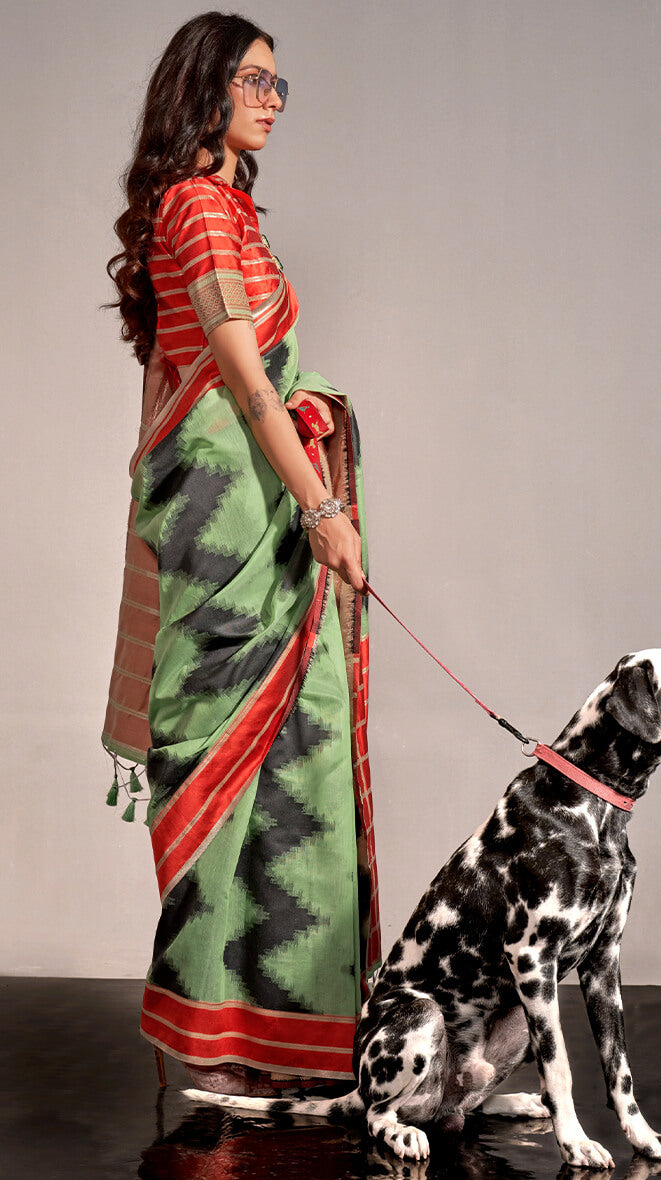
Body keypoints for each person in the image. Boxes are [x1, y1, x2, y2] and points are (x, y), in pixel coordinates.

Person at [103, 11, 380, 1097]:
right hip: (231, 523)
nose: (271, 98)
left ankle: (274, 1040)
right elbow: (242, 380)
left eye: (278, 84)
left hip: (252, 505)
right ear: (204, 88)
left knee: (286, 774)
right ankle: (220, 1039)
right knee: (221, 768)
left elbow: (260, 383)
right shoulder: (199, 212)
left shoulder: (230, 212)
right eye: (253, 80)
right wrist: (322, 508)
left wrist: (311, 437)